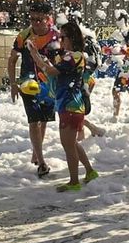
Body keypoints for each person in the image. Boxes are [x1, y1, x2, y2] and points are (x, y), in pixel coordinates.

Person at [28, 20, 98, 192]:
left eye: (63, 37)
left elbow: (51, 72)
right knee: (72, 143)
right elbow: (53, 70)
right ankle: (89, 172)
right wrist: (39, 58)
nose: (60, 40)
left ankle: (74, 181)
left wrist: (36, 56)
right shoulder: (73, 56)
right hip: (70, 105)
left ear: (71, 38)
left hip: (70, 105)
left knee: (68, 145)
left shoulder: (73, 56)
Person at [8, 2, 59, 178]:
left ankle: (37, 154)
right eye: (32, 19)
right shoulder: (24, 36)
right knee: (34, 120)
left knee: (43, 120)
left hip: (48, 85)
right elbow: (12, 60)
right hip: (27, 83)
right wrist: (13, 84)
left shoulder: (56, 38)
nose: (35, 23)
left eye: (39, 19)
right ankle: (42, 162)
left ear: (48, 19)